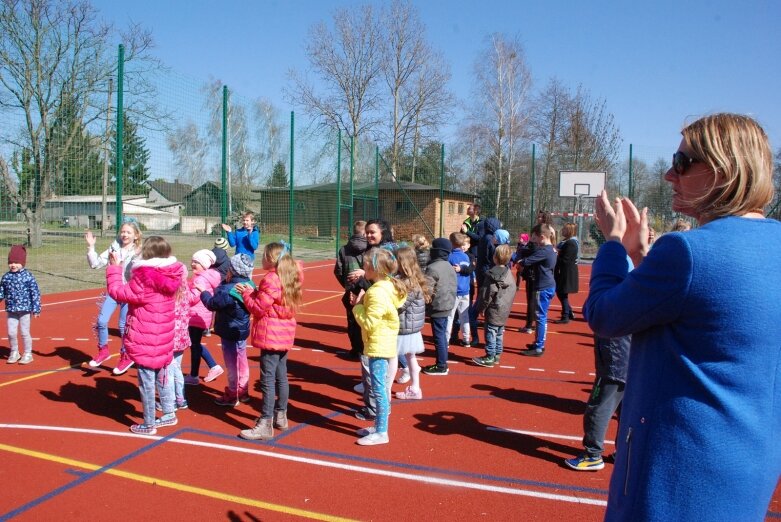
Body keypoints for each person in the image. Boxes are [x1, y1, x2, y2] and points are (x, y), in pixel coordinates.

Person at [585, 113, 780, 520]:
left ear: (723, 171)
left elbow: (605, 315)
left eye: (682, 162)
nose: (670, 175)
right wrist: (643, 258)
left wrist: (614, 247)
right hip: (749, 461)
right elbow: (702, 311)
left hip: (677, 469)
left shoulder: (686, 251)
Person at [105, 236, 188, 435]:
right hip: (164, 335)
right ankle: (168, 412)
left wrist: (114, 268)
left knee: (146, 382)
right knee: (163, 376)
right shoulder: (174, 273)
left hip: (145, 337)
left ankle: (149, 423)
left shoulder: (144, 278)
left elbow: (117, 292)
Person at [238, 242, 303, 440]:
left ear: (272, 259)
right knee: (281, 376)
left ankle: (265, 422)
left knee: (267, 379)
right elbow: (273, 301)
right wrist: (257, 292)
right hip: (284, 333)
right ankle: (281, 416)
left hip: (270, 334)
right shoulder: (290, 276)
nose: (262, 258)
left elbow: (258, 308)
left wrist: (247, 294)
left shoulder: (271, 279)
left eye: (265, 255)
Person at [352, 247, 407, 445]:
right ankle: (378, 426)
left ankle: (382, 432)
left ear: (376, 268)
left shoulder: (377, 292)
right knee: (379, 387)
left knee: (379, 389)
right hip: (381, 341)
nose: (363, 266)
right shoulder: (388, 286)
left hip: (379, 344)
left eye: (366, 264)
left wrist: (357, 306)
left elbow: (369, 322)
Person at [345, 219, 396, 421]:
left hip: (377, 326)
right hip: (377, 319)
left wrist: (362, 282)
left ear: (383, 232)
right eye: (366, 232)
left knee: (376, 369)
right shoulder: (376, 252)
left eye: (372, 232)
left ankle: (376, 409)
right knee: (378, 369)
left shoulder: (387, 255)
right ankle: (379, 404)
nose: (367, 235)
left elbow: (384, 283)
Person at [565, 332, 631, 471]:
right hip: (628, 360)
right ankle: (624, 452)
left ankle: (592, 455)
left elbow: (596, 315)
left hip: (615, 361)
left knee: (598, 407)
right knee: (625, 410)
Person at [85, 219, 142, 374]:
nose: (124, 234)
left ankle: (126, 355)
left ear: (136, 236)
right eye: (123, 231)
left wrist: (136, 259)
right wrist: (91, 247)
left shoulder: (139, 251)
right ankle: (103, 351)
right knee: (101, 321)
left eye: (128, 232)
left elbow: (141, 270)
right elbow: (95, 264)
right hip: (114, 290)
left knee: (123, 326)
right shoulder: (114, 247)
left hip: (128, 293)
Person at [198, 254, 254, 407]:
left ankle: (232, 393)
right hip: (241, 330)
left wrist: (203, 291)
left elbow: (212, 304)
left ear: (232, 270)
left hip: (229, 330)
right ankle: (243, 391)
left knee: (232, 364)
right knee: (242, 360)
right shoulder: (250, 285)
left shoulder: (228, 291)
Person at [393, 247, 430, 400]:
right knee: (410, 358)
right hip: (410, 326)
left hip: (405, 328)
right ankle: (415, 388)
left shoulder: (409, 284)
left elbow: (400, 305)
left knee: (393, 358)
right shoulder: (410, 279)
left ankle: (386, 391)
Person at [184, 249, 224, 385]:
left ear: (205, 264)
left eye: (197, 262)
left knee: (194, 344)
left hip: (196, 315)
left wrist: (182, 291)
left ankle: (200, 372)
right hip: (201, 315)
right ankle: (206, 369)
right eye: (193, 261)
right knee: (195, 344)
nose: (193, 264)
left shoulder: (201, 279)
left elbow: (193, 298)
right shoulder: (208, 276)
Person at [472, 244, 515, 367]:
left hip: (494, 308)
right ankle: (497, 354)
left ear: (495, 257)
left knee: (490, 331)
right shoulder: (508, 273)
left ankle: (490, 356)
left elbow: (487, 294)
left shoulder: (492, 275)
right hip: (504, 308)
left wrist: (481, 308)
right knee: (500, 332)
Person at [518, 223, 557, 357]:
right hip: (548, 285)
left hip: (543, 286)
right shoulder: (550, 249)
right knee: (541, 316)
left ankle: (539, 346)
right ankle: (538, 343)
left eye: (536, 237)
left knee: (540, 317)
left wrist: (519, 261)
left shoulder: (544, 250)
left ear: (542, 237)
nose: (534, 240)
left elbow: (527, 261)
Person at [421, 238, 457, 376]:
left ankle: (441, 365)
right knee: (441, 335)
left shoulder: (432, 268)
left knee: (439, 337)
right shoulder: (448, 265)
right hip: (447, 304)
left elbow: (427, 290)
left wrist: (423, 304)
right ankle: (442, 364)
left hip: (438, 306)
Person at [1, 245, 41, 365]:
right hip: (11, 309)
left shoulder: (28, 276)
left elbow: (35, 293)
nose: (13, 265)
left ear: (23, 263)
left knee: (24, 332)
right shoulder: (6, 277)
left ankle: (28, 353)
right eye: (11, 262)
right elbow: (1, 291)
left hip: (25, 309)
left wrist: (36, 309)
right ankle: (14, 352)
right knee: (11, 332)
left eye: (16, 262)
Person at [334, 220, 367, 360]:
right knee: (366, 319)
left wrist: (347, 286)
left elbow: (338, 271)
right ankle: (365, 348)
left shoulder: (343, 249)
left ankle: (355, 349)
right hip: (367, 289)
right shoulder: (370, 248)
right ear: (365, 233)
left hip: (351, 291)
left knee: (352, 320)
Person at [446, 232, 473, 347]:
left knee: (450, 316)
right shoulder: (465, 256)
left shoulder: (450, 256)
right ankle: (466, 338)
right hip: (465, 290)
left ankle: (446, 339)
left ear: (451, 244)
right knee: (464, 315)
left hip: (455, 291)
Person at [553, 222, 580, 324]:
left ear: (569, 231)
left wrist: (555, 255)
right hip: (564, 271)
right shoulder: (566, 242)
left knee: (562, 293)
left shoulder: (571, 243)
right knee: (561, 292)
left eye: (564, 229)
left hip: (567, 272)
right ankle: (568, 312)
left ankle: (565, 316)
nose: (562, 230)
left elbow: (566, 259)